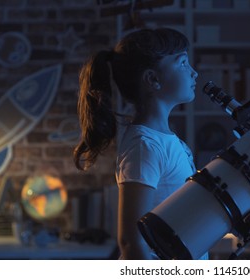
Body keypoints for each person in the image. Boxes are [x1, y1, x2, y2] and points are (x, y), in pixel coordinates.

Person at [73, 28, 207, 259]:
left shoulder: (168, 140)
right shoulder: (145, 147)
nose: (194, 73)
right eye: (183, 63)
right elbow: (130, 242)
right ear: (153, 79)